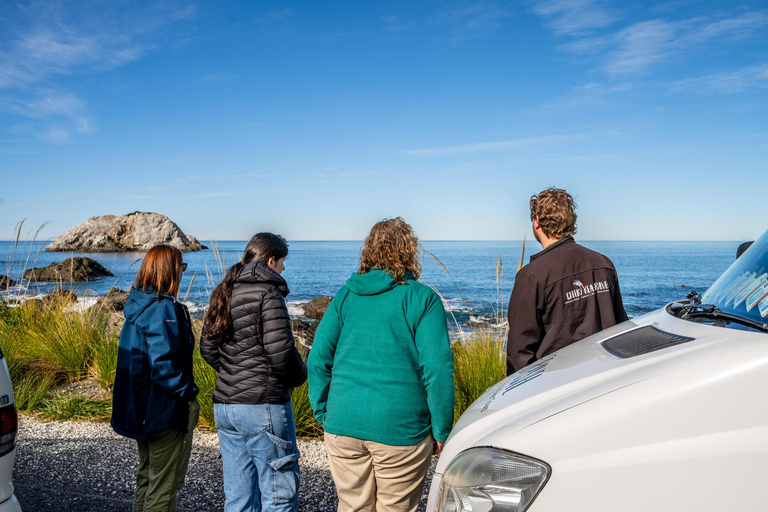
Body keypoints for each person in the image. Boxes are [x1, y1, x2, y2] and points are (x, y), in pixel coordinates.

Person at [308, 217, 455, 512]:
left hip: (343, 423)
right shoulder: (422, 299)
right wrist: (441, 430)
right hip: (401, 430)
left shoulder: (346, 296)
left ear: (368, 252)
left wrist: (323, 410)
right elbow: (437, 370)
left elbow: (318, 358)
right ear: (409, 251)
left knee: (352, 506)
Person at [200, 233, 307, 512]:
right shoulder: (268, 292)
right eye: (283, 262)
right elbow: (281, 352)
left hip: (225, 407)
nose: (283, 268)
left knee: (239, 498)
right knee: (279, 495)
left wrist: (234, 374)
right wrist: (300, 377)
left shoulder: (224, 289)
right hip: (263, 406)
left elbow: (207, 348)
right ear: (271, 260)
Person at [111, 244, 200, 512]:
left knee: (148, 476)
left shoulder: (139, 305)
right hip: (163, 409)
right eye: (181, 267)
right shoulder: (163, 309)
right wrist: (188, 393)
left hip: (141, 408)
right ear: (170, 271)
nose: (183, 273)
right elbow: (163, 365)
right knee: (164, 485)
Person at [507, 188, 628, 376]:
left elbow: (519, 355)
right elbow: (622, 326)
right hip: (606, 377)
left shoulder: (531, 276)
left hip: (557, 385)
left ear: (537, 221)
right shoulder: (603, 263)